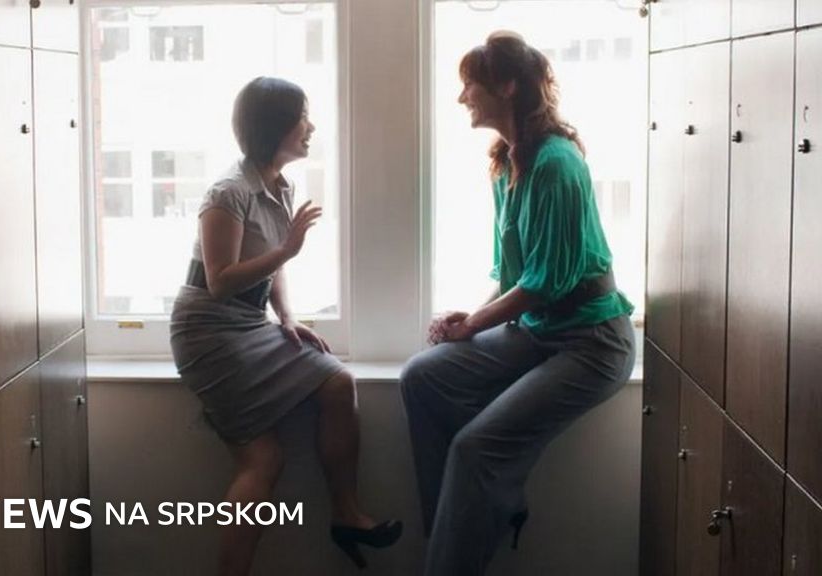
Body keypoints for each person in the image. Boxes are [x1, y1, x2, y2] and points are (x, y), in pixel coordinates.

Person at [400, 31, 636, 576]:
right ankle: (473, 515)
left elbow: (544, 283)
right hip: (537, 329)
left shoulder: (555, 163)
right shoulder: (508, 163)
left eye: (470, 85)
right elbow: (513, 276)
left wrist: (473, 326)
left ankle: (458, 547)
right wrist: (472, 315)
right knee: (421, 377)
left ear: (506, 86)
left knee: (475, 449)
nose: (462, 97)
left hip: (592, 343)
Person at [170, 76, 401, 576]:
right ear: (274, 126)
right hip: (209, 330)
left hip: (250, 322)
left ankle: (346, 515)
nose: (310, 127)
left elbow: (270, 269)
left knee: (338, 383)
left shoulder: (280, 186)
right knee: (263, 460)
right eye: (302, 118)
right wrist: (288, 250)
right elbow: (220, 281)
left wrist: (288, 318)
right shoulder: (227, 193)